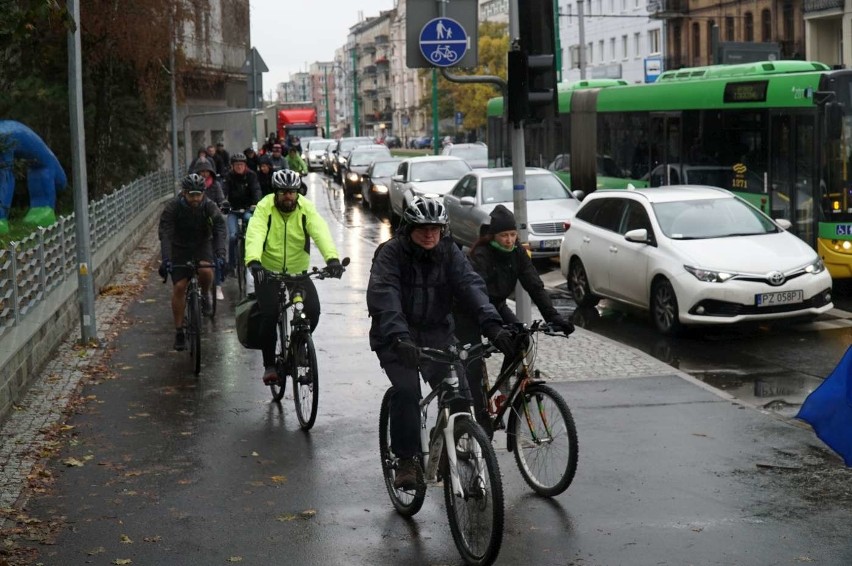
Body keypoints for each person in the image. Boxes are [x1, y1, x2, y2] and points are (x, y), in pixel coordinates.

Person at [366, 196, 517, 490]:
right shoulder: (391, 254)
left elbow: (470, 285)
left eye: (435, 228)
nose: (429, 234)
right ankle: (406, 459)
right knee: (408, 391)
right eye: (422, 228)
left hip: (437, 331)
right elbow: (385, 298)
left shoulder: (449, 252)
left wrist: (493, 325)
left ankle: (450, 437)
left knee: (460, 394)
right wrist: (399, 338)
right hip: (396, 335)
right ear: (408, 228)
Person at [454, 204, 575, 430]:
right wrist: (493, 329)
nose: (509, 240)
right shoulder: (481, 255)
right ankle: (480, 419)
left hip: (497, 305)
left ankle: (503, 387)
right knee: (473, 362)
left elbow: (535, 285)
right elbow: (476, 294)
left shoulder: (517, 252)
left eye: (512, 235)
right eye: (504, 236)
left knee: (521, 338)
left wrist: (554, 317)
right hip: (470, 311)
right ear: (493, 235)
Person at [244, 169, 344, 385]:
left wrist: (332, 259)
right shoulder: (265, 207)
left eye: (292, 192)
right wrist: (254, 261)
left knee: (314, 311)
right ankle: (270, 365)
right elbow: (255, 233)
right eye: (283, 192)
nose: (288, 196)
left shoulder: (305, 208)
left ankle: (299, 347)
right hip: (268, 271)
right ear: (276, 193)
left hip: (297, 272)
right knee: (269, 315)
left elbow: (320, 231)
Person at [158, 174, 227, 351]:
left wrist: (220, 254)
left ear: (203, 193)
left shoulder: (209, 206)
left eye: (199, 195)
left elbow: (219, 227)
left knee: (205, 270)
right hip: (179, 247)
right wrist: (166, 259)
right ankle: (179, 331)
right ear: (184, 193)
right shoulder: (173, 208)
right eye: (192, 195)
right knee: (180, 286)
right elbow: (165, 234)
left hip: (202, 243)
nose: (196, 199)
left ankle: (205, 294)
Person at [221, 152, 262, 275]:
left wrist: (256, 203)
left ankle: (252, 257)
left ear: (245, 165)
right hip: (233, 210)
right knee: (233, 236)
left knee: (250, 225)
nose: (239, 167)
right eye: (237, 165)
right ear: (232, 166)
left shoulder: (251, 175)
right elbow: (223, 190)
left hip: (248, 208)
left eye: (241, 164)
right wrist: (223, 202)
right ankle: (232, 265)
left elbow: (256, 190)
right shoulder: (228, 176)